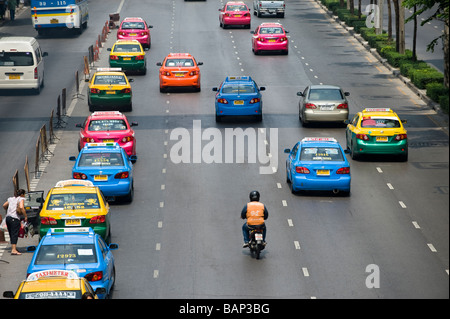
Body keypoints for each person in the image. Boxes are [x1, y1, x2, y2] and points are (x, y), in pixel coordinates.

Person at [2, 189, 27, 255]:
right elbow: (21, 207)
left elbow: (4, 205)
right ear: (22, 194)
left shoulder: (11, 199)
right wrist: (25, 216)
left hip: (8, 218)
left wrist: (8, 210)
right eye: (24, 194)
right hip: (14, 218)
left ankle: (14, 248)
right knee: (14, 233)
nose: (24, 195)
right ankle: (13, 250)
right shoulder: (21, 199)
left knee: (11, 233)